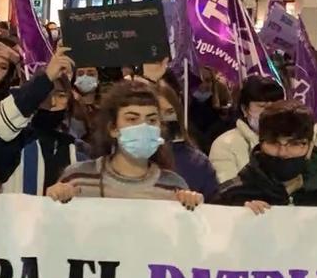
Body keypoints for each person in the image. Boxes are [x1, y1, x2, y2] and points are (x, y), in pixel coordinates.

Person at [47, 81, 204, 206]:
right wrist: (53, 198)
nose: (143, 126)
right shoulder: (77, 178)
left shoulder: (173, 186)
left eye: (151, 120)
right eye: (132, 119)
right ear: (113, 128)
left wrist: (191, 208)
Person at [210, 100, 317, 211]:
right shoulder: (232, 195)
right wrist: (237, 216)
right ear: (260, 144)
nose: (283, 152)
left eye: (294, 144)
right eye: (273, 143)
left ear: (310, 146)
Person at [0, 48, 86, 195]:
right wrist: (47, 77)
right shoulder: (13, 141)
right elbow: (4, 116)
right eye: (46, 95)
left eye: (61, 95)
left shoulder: (79, 149)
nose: (53, 102)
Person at [209, 76, 284, 182]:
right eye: (262, 106)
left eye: (276, 107)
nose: (270, 113)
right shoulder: (224, 146)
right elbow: (228, 191)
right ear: (245, 109)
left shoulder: (291, 141)